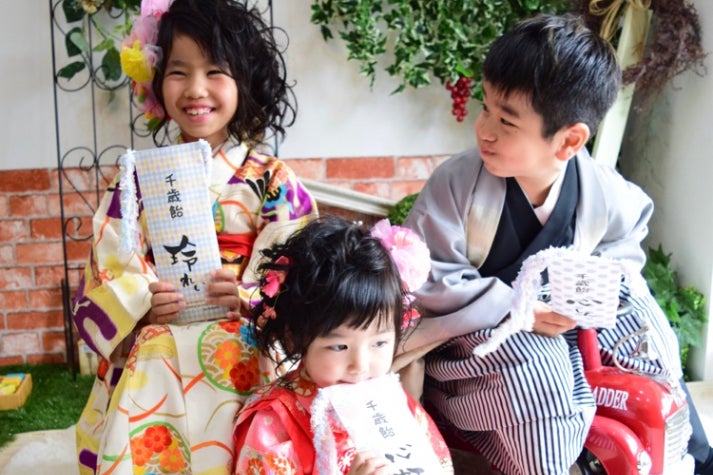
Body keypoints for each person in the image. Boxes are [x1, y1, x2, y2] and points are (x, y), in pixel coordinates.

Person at [399, 13, 713, 475]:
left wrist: (586, 292)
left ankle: (682, 451)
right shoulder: (457, 184)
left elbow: (624, 244)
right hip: (478, 346)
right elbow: (426, 278)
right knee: (539, 369)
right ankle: (552, 458)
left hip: (567, 324)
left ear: (569, 140)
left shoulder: (599, 188)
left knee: (644, 325)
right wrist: (517, 308)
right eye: (486, 107)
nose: (484, 129)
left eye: (507, 121)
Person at [72, 1, 318, 474]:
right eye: (178, 72)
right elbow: (111, 259)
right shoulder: (135, 179)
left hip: (246, 339)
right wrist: (143, 304)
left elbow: (301, 265)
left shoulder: (272, 179)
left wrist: (249, 296)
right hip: (158, 336)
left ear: (245, 81)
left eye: (215, 71)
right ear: (156, 82)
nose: (196, 89)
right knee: (156, 345)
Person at [232, 216, 453, 474]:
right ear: (295, 338)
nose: (360, 366)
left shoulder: (390, 401)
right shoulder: (275, 422)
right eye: (339, 347)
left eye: (379, 342)